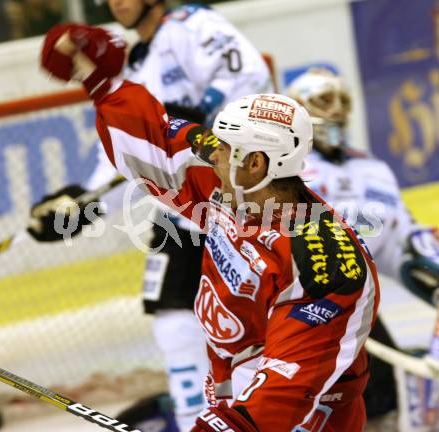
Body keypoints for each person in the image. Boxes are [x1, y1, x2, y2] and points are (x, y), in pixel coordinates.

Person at [40, 23, 380, 431]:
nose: (210, 154)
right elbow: (159, 144)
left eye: (224, 149)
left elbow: (284, 395)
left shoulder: (324, 264)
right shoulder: (231, 189)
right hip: (234, 400)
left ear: (257, 164)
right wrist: (99, 80)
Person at [29, 2, 273, 430]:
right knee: (174, 322)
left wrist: (201, 117)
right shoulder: (138, 67)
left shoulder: (193, 24)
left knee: (259, 325)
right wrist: (83, 204)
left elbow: (249, 73)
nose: (119, 2)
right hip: (181, 210)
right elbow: (138, 158)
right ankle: (197, 419)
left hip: (232, 194)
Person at [286, 69, 439, 426]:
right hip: (308, 297)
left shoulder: (372, 167)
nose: (337, 110)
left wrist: (427, 253)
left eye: (343, 101)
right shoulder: (288, 167)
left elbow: (397, 235)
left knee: (382, 387)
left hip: (357, 293)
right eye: (324, 100)